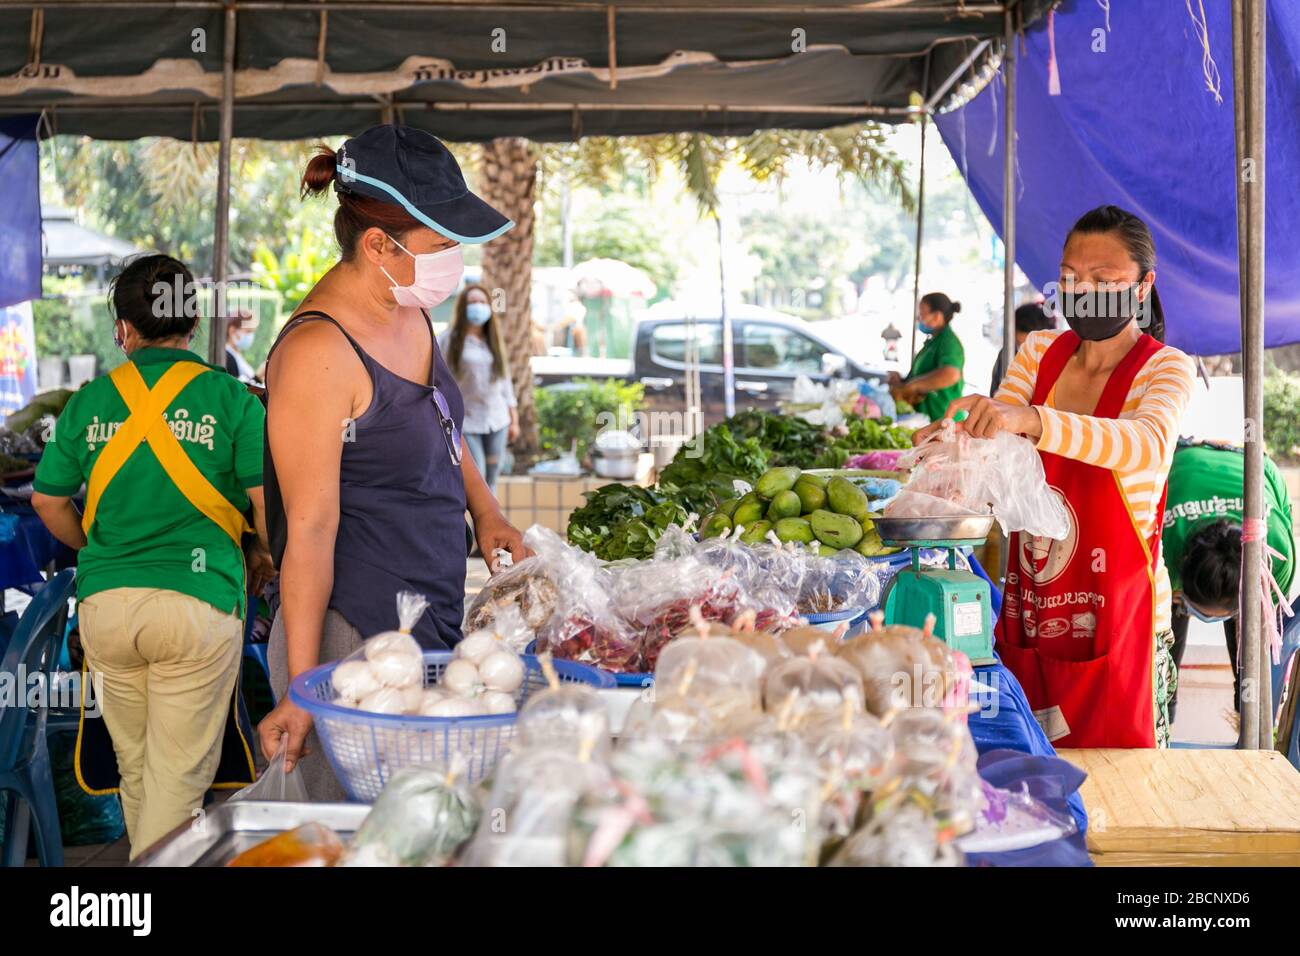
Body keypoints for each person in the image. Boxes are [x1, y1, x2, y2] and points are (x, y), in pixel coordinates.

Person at [254, 125, 528, 800]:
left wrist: (486, 510)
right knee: (363, 834)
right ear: (378, 244)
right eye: (442, 245)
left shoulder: (408, 311)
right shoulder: (319, 353)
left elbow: (441, 427)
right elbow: (310, 532)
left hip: (426, 612)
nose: (456, 261)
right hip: (351, 641)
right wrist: (304, 691)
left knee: (431, 819)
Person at [918, 205, 1196, 748]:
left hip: (1121, 626)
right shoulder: (1039, 351)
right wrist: (950, 445)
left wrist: (1035, 419)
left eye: (1104, 280)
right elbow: (994, 443)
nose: (1084, 291)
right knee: (1031, 775)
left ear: (1144, 286)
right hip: (1032, 609)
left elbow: (1145, 444)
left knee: (1124, 796)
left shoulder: (1165, 368)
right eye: (1070, 278)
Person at [31, 254, 271, 857]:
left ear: (123, 330)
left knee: (139, 775)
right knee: (177, 784)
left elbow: (46, 501)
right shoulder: (230, 399)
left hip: (107, 609)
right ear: (192, 322)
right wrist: (266, 556)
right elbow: (268, 508)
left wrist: (101, 553)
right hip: (197, 606)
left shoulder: (88, 403)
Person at [1162, 439, 1298, 738]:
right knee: (1162, 642)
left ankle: (1249, 729)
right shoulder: (1162, 540)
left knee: (1253, 651)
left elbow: (1266, 638)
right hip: (1181, 465)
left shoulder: (1277, 554)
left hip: (1254, 466)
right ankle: (1162, 725)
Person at [439, 284, 519, 493]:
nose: (478, 307)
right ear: (463, 307)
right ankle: (477, 523)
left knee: (492, 478)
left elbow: (505, 381)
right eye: (472, 302)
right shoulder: (449, 341)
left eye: (482, 302)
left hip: (497, 420)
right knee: (478, 480)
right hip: (466, 422)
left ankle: (489, 525)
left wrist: (514, 419)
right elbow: (437, 379)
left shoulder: (493, 341)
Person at [890, 292, 965, 421]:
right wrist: (903, 381)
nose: (919, 318)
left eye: (922, 313)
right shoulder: (933, 342)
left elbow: (951, 374)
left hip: (943, 418)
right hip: (926, 417)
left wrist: (914, 386)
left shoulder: (948, 342)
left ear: (937, 316)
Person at [989, 301, 1055, 394]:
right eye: (1020, 345)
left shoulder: (1057, 360)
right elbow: (996, 393)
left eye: (1032, 347)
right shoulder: (1007, 354)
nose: (1026, 352)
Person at [224, 307, 260, 383]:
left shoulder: (236, 355)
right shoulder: (227, 358)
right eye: (248, 331)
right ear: (232, 330)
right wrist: (258, 377)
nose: (251, 336)